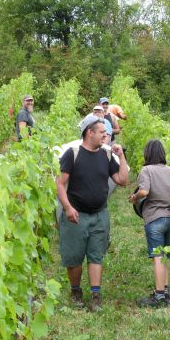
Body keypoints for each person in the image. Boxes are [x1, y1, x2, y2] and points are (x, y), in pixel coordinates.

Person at [56, 114, 128, 312]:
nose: (107, 136)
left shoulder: (105, 155)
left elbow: (122, 180)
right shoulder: (73, 153)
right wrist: (68, 208)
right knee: (74, 257)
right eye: (102, 133)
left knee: (96, 255)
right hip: (76, 215)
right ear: (90, 133)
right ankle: (76, 291)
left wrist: (121, 156)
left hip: (99, 215)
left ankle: (96, 295)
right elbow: (60, 185)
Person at [129, 140, 170, 308]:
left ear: (147, 154)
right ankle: (165, 292)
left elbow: (144, 191)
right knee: (166, 257)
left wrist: (134, 198)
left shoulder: (147, 170)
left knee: (157, 257)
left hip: (155, 218)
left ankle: (158, 296)